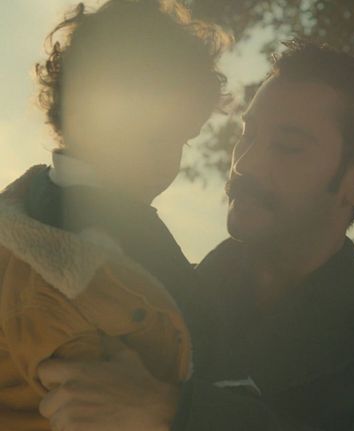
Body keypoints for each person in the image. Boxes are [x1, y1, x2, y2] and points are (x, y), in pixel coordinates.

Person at [36, 41, 354, 430]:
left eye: (288, 146)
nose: (245, 164)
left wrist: (174, 413)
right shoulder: (146, 295)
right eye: (246, 135)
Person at [0, 1, 229, 429]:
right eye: (155, 130)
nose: (168, 158)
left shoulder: (49, 215)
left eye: (181, 138)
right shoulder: (72, 261)